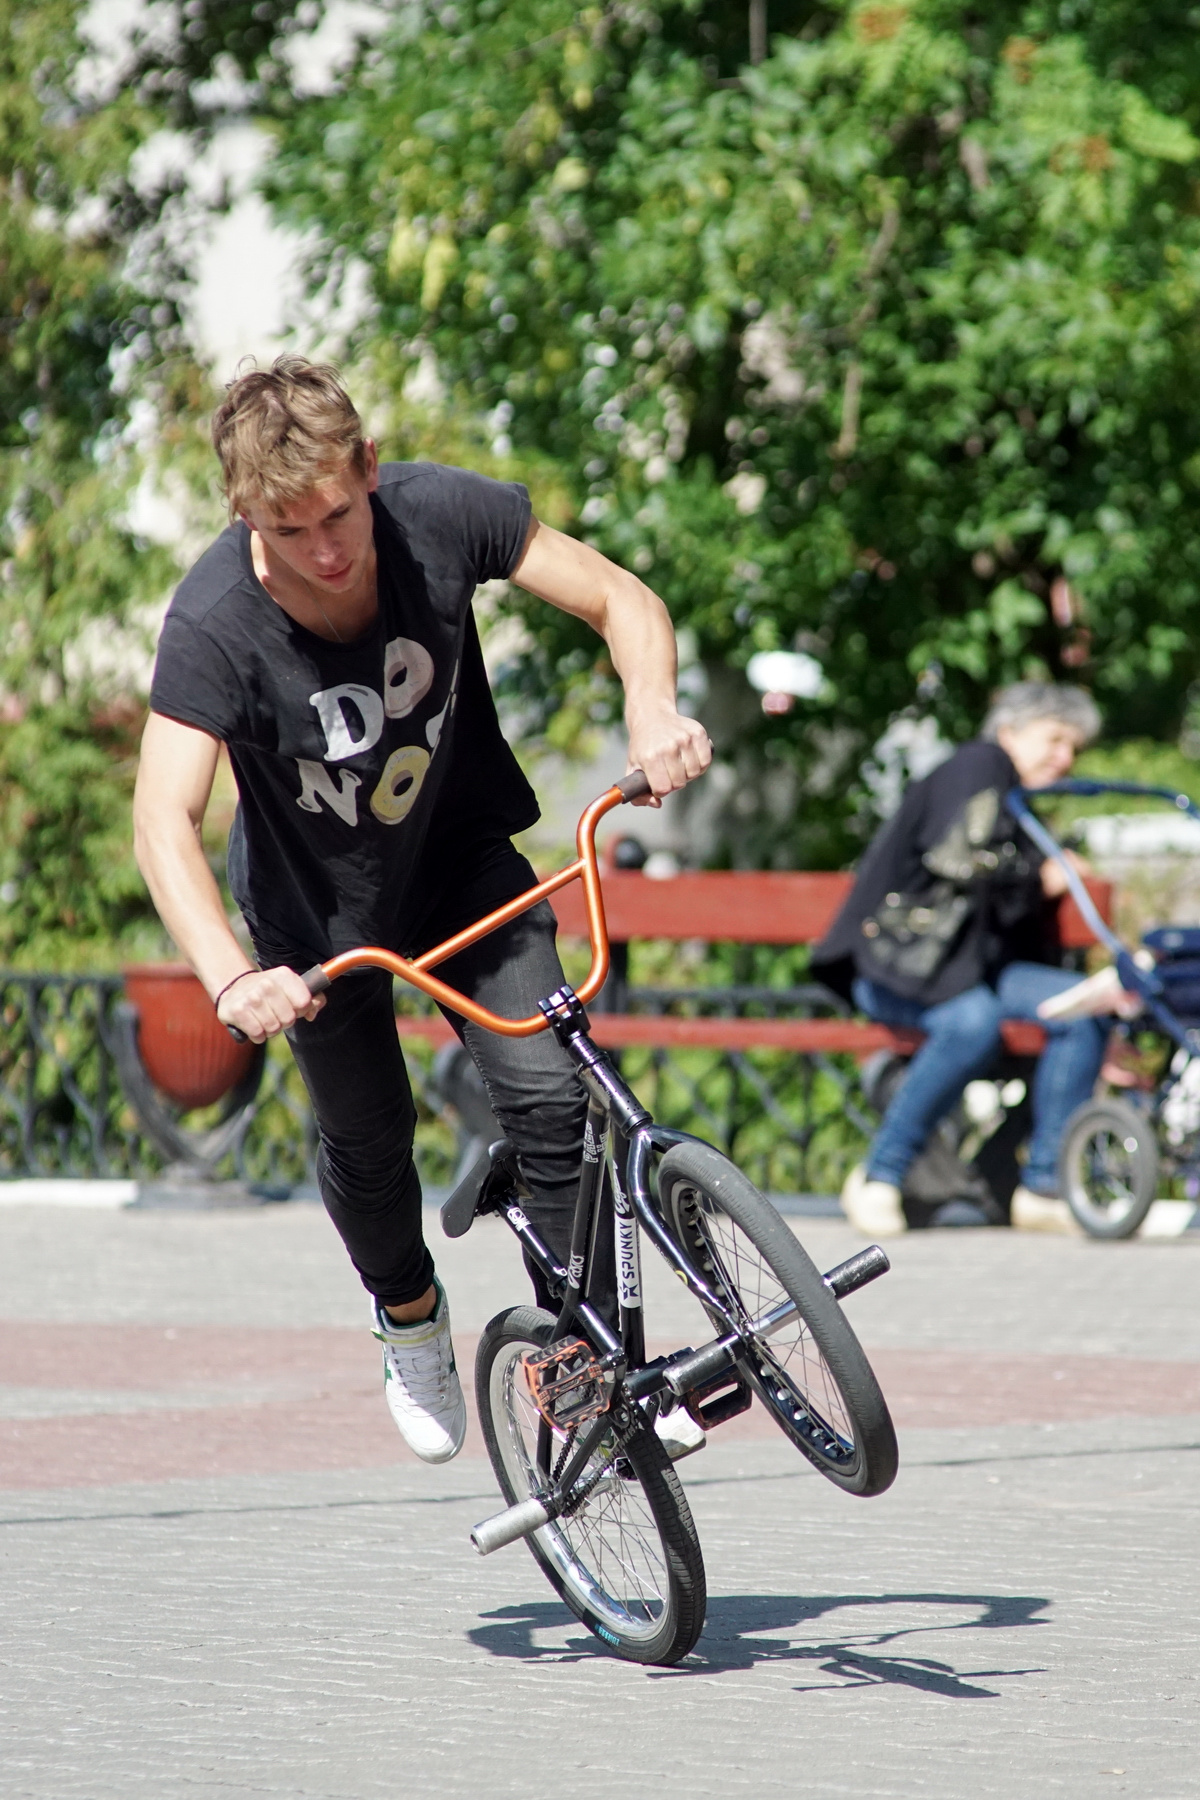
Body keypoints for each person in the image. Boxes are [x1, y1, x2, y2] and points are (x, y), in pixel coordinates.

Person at [133, 356, 711, 1463]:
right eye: (289, 531)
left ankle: (586, 1362)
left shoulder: (438, 514)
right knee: (369, 1143)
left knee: (554, 1097)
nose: (326, 551)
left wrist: (651, 709)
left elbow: (621, 599)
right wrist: (231, 976)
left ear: (370, 468)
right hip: (316, 923)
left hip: (458, 863)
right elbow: (164, 821)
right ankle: (408, 1316)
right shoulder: (213, 624)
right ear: (245, 513)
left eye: (338, 515)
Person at [813, 683, 1107, 1236]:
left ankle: (1043, 1188)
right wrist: (1041, 874)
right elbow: (958, 859)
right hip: (893, 967)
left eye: (1074, 747)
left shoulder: (1015, 800)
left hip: (966, 971)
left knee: (1083, 1007)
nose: (1065, 758)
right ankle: (879, 1175)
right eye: (1055, 739)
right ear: (1010, 731)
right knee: (973, 1022)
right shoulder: (979, 765)